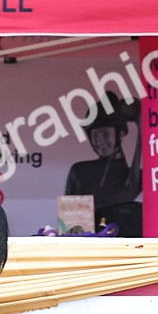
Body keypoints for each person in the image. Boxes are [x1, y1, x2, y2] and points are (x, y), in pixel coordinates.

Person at [63, 91, 143, 237]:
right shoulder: (79, 172)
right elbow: (71, 226)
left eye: (105, 134)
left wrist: (140, 125)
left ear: (120, 134)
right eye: (95, 135)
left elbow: (128, 192)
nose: (100, 141)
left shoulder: (136, 177)